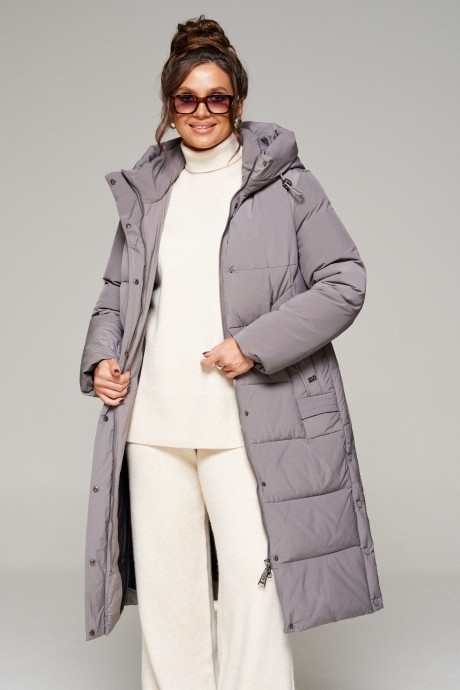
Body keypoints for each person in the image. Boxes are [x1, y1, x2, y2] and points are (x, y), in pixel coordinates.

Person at [80, 13, 383, 690]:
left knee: (254, 583)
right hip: (153, 422)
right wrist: (101, 359)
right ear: (170, 107)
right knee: (169, 594)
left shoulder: (287, 185)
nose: (202, 112)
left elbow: (345, 281)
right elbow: (116, 294)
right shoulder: (149, 191)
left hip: (247, 422)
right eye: (186, 99)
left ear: (238, 103)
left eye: (216, 98)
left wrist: (253, 345)